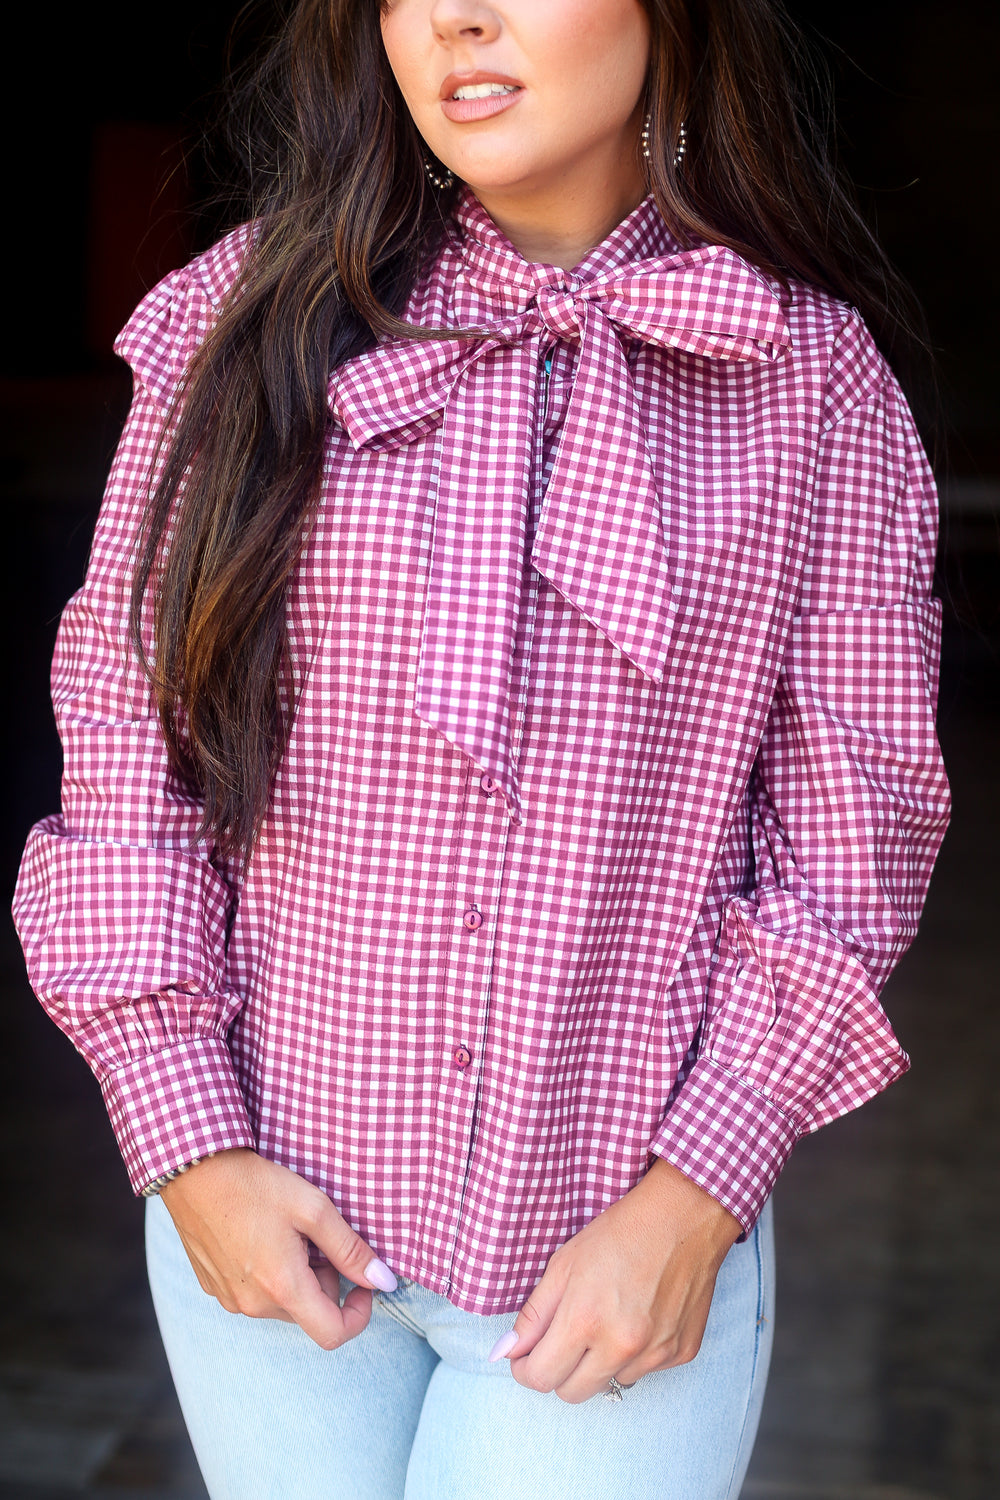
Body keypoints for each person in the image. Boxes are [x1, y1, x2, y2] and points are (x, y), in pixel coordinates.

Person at [13, 1, 951, 1496]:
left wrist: (699, 1197)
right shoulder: (235, 326)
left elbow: (858, 832)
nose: (455, 17)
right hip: (274, 1234)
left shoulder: (812, 387)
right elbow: (130, 751)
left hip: (611, 1261)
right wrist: (187, 1139)